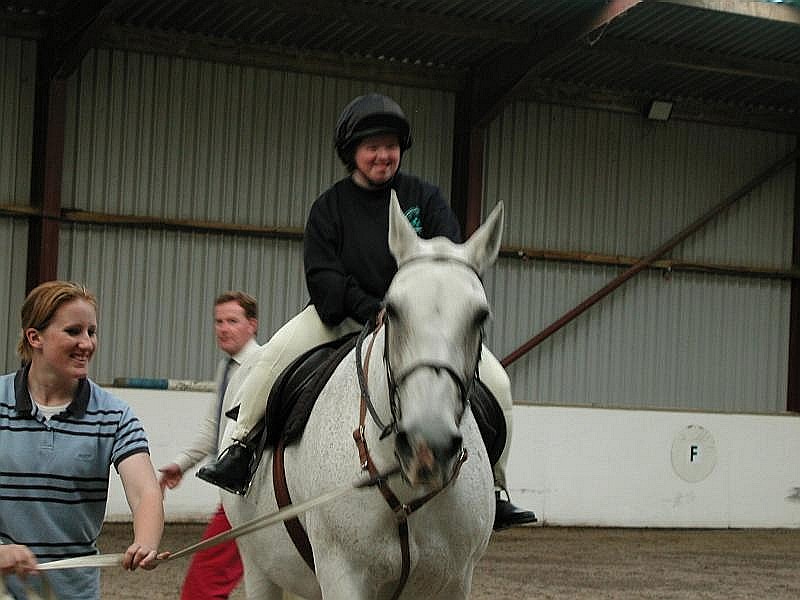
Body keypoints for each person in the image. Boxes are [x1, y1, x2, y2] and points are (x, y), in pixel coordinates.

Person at [198, 93, 537, 530]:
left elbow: (449, 264)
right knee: (270, 360)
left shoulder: (425, 199)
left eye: (390, 145)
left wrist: (410, 313)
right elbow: (324, 278)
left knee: (497, 382)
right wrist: (370, 308)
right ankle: (240, 450)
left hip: (414, 328)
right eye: (372, 146)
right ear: (352, 153)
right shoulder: (330, 208)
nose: (383, 155)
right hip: (339, 318)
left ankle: (494, 484)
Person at [0, 280, 164, 600]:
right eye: (74, 331)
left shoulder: (114, 415)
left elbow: (145, 490)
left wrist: (146, 540)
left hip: (74, 593)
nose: (86, 343)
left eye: (92, 332)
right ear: (35, 337)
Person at [158, 291, 260, 600]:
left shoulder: (260, 365)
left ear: (252, 325)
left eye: (232, 321)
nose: (223, 328)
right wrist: (181, 463)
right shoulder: (227, 367)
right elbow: (214, 431)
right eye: (218, 321)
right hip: (234, 495)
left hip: (247, 495)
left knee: (202, 586)